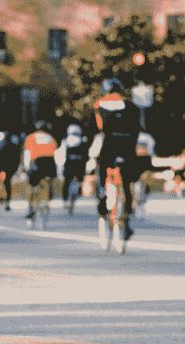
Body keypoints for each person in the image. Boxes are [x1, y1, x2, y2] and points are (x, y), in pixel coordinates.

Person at [93, 78, 141, 240]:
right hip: (127, 148)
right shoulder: (132, 106)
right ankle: (126, 221)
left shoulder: (99, 104)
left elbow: (98, 127)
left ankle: (102, 193)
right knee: (126, 184)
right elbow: (137, 128)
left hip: (109, 146)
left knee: (101, 169)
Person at [23, 120, 58, 222]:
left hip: (36, 160)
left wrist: (26, 168)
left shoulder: (31, 137)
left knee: (31, 185)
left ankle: (30, 207)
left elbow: (27, 153)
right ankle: (48, 196)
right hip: (50, 161)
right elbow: (55, 151)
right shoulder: (51, 137)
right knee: (48, 180)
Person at [58, 124, 89, 210]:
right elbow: (87, 155)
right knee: (79, 181)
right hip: (80, 166)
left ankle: (65, 199)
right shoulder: (83, 141)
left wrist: (59, 168)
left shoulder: (65, 141)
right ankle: (77, 194)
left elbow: (61, 154)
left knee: (67, 182)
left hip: (69, 165)